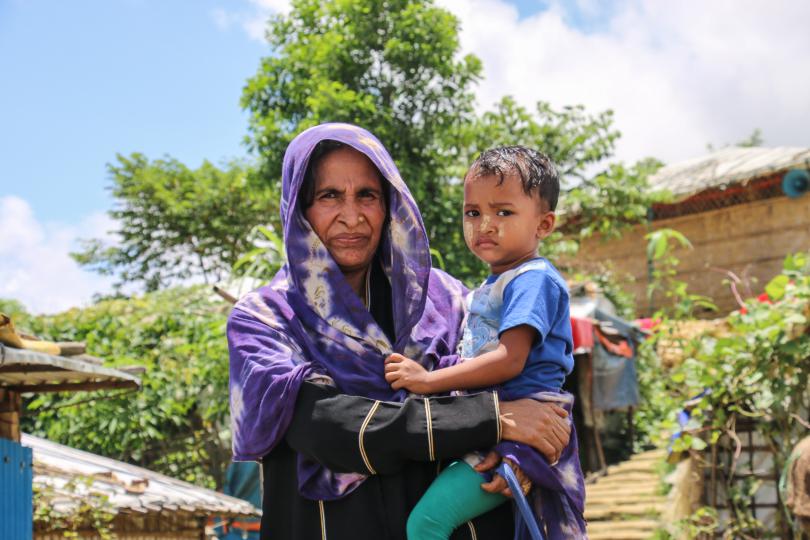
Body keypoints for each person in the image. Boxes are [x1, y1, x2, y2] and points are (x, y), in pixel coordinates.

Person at [227, 123, 572, 540]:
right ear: (299, 206)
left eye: (367, 195)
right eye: (329, 195)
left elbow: (536, 395)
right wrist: (491, 420)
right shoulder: (266, 319)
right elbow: (325, 425)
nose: (351, 216)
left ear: (390, 204)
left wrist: (520, 455)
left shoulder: (449, 302)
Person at [384, 146, 586, 540]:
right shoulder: (490, 286)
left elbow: (510, 360)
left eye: (503, 212)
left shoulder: (532, 279)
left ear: (544, 225)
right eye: (473, 213)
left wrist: (425, 381)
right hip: (494, 423)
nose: (485, 225)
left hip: (523, 429)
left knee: (426, 523)